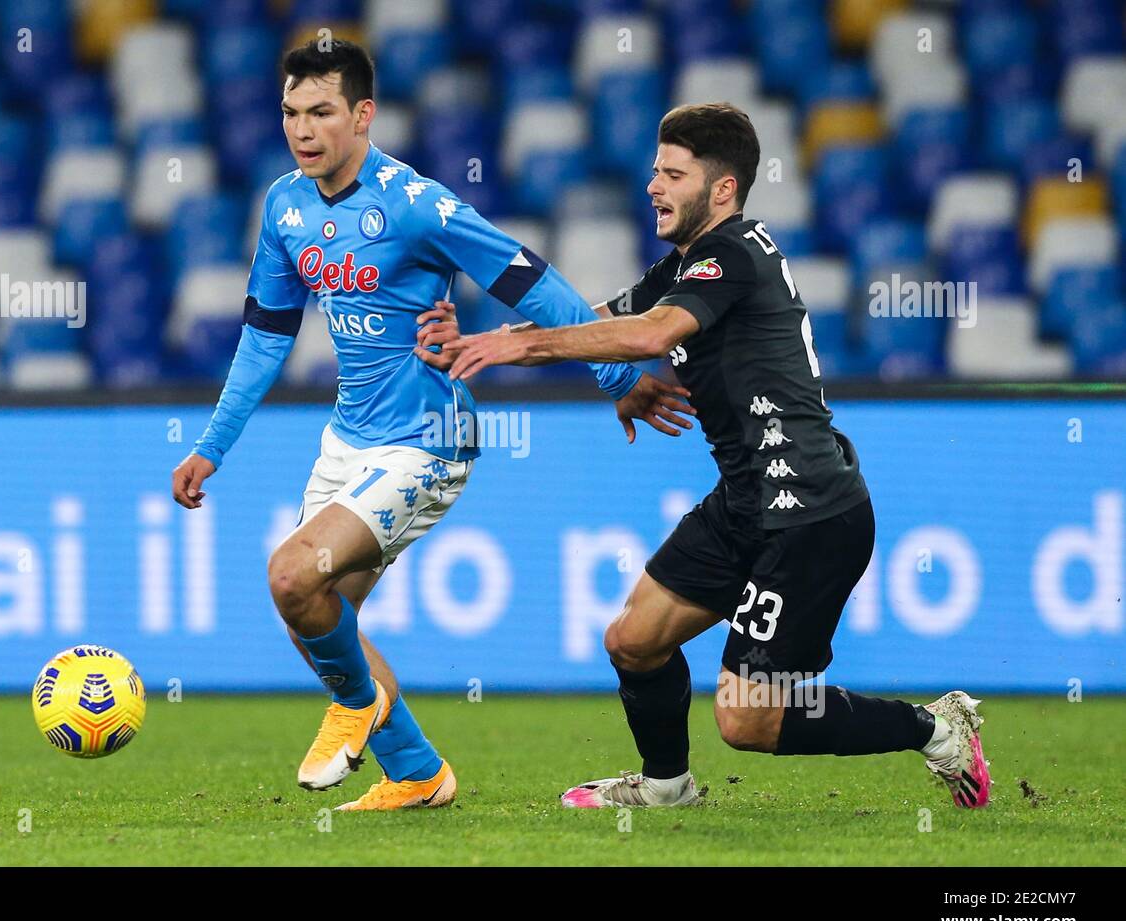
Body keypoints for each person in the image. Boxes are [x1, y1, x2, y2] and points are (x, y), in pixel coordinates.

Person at [170, 39, 691, 811]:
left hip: (427, 439)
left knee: (291, 573)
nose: (302, 129)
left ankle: (358, 705)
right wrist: (212, 445)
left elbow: (526, 279)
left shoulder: (416, 203)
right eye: (290, 113)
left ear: (363, 115)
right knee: (314, 616)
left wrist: (614, 375)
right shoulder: (284, 206)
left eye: (321, 112)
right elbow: (265, 335)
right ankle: (416, 772)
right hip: (348, 440)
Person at [433, 103, 990, 811]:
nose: (653, 186)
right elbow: (597, 322)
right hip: (745, 501)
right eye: (653, 171)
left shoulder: (735, 252)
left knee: (746, 719)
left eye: (672, 173)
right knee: (634, 640)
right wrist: (481, 335)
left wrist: (521, 349)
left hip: (809, 513)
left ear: (721, 189)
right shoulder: (688, 264)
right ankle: (667, 787)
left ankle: (935, 727)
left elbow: (651, 334)